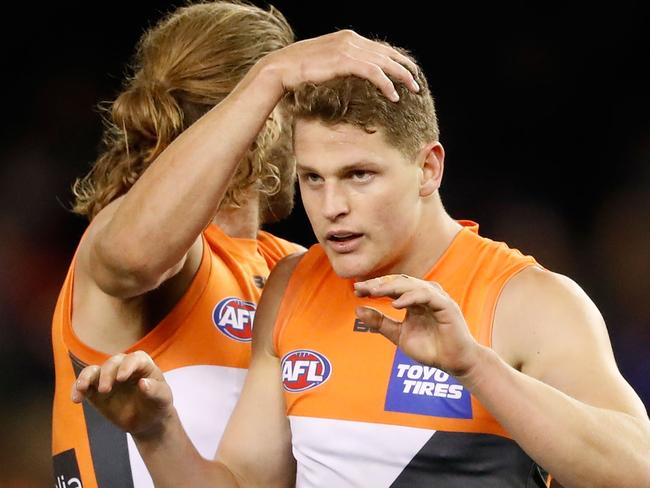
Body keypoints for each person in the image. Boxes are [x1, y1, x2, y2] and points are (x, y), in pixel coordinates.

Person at [71, 29, 650, 488]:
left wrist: (475, 366)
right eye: (313, 180)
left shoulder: (529, 299)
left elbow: (636, 471)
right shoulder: (293, 285)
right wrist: (156, 431)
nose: (332, 207)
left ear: (429, 168)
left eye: (359, 175)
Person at [51, 2, 304, 487]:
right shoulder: (154, 246)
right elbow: (135, 258)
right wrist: (270, 78)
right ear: (268, 115)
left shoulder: (292, 267)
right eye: (295, 98)